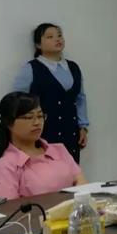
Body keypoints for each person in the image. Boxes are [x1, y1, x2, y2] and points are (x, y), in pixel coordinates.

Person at [0, 92, 87, 200]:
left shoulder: (59, 150)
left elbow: (81, 182)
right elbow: (8, 208)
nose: (37, 122)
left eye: (40, 116)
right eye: (29, 117)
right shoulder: (5, 167)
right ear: (9, 123)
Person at [13, 23, 89, 163]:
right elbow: (17, 101)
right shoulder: (31, 68)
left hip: (71, 131)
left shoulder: (73, 67)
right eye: (50, 37)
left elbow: (80, 99)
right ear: (38, 44)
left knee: (71, 171)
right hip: (43, 132)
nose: (57, 39)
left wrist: (83, 127)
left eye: (59, 35)